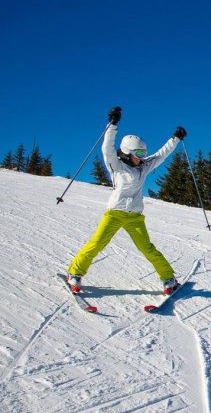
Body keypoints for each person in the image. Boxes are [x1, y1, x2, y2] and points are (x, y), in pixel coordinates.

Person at [66, 106, 187, 295]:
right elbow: (106, 148)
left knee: (147, 248)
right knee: (97, 243)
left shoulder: (144, 166)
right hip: (114, 213)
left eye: (143, 154)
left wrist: (175, 139)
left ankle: (168, 278)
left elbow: (162, 154)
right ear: (127, 151)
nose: (142, 157)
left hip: (135, 216)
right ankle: (75, 273)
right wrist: (113, 125)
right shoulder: (116, 165)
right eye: (139, 154)